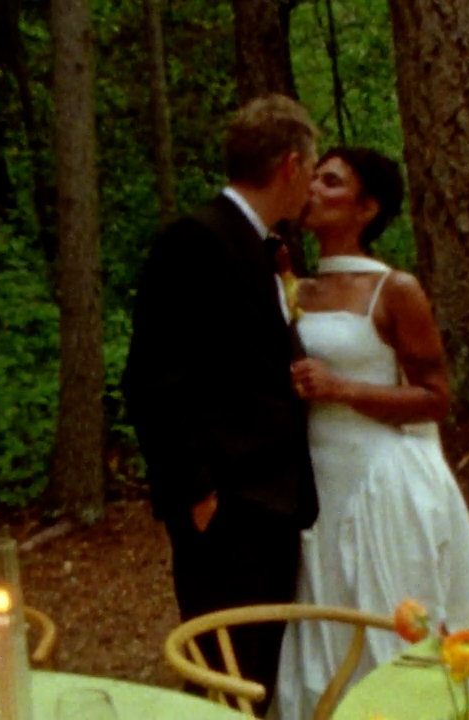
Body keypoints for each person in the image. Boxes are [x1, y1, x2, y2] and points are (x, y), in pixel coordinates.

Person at [274, 147, 469, 719]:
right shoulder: (296, 288)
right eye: (313, 177)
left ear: (366, 208)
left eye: (331, 181)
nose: (313, 188)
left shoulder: (395, 289)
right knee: (325, 631)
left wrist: (342, 388)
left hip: (379, 483)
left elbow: (435, 399)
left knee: (391, 630)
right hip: (316, 486)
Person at [122, 94, 320, 712]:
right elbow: (152, 377)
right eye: (312, 171)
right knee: (220, 676)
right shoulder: (197, 238)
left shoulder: (264, 247)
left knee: (257, 675)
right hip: (229, 505)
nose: (312, 185)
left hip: (274, 501)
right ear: (291, 166)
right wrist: (197, 492)